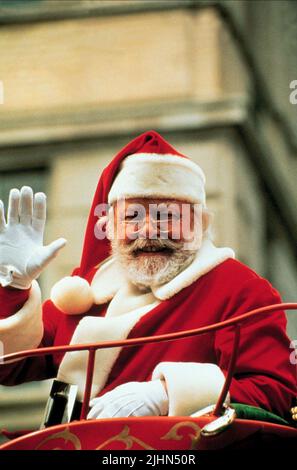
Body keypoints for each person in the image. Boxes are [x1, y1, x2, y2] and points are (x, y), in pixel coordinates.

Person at [0, 130, 295, 421]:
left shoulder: (238, 288)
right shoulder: (89, 291)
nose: (150, 231)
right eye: (132, 217)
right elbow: (10, 366)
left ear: (201, 224)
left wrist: (166, 394)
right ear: (109, 227)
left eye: (169, 216)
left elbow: (276, 392)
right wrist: (13, 286)